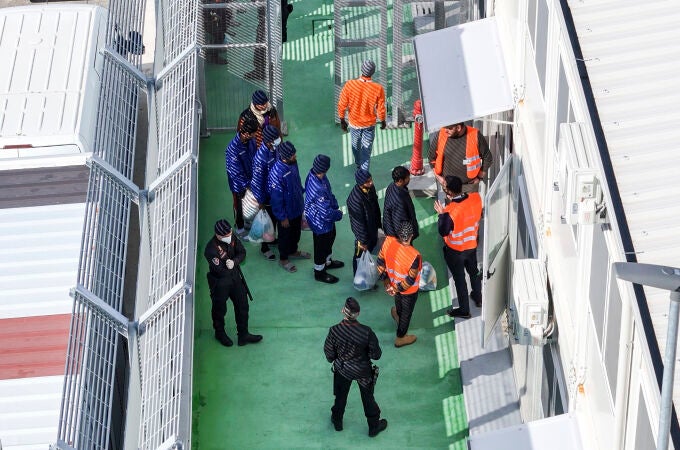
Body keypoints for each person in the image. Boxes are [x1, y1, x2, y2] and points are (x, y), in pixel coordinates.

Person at [324, 297, 388, 437]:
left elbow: (329, 353)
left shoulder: (334, 330)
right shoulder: (366, 331)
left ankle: (337, 422)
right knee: (368, 398)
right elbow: (376, 354)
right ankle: (373, 427)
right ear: (358, 313)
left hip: (342, 369)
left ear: (343, 311)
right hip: (363, 370)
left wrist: (335, 359)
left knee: (340, 397)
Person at [204, 219, 263, 347]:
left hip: (235, 278)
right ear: (218, 235)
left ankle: (243, 335)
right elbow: (219, 270)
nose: (229, 237)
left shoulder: (232, 238)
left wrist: (234, 262)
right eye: (226, 236)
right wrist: (230, 266)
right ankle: (219, 333)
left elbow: (242, 252)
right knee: (219, 309)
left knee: (242, 305)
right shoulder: (211, 250)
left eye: (230, 233)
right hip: (220, 282)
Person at [434, 176, 483, 319]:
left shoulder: (449, 211)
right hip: (472, 246)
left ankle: (464, 310)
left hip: (455, 251)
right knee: (474, 273)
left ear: (448, 192)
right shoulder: (476, 198)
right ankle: (478, 297)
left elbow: (443, 231)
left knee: (460, 279)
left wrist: (442, 215)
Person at [376, 221, 422, 348]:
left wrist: (387, 283)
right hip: (409, 291)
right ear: (411, 236)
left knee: (399, 302)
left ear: (399, 234)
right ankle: (401, 337)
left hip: (393, 284)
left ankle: (398, 315)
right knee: (407, 313)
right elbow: (410, 280)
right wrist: (395, 288)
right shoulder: (414, 256)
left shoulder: (388, 242)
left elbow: (379, 263)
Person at [337, 59, 386, 171]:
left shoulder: (350, 85)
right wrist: (383, 120)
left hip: (354, 125)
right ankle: (364, 173)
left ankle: (358, 163)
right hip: (369, 126)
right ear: (373, 72)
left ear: (361, 70)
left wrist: (342, 119)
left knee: (355, 146)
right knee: (366, 150)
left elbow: (342, 104)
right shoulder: (378, 88)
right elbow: (381, 108)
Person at [268, 141, 310, 273]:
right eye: (293, 155)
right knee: (285, 236)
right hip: (286, 213)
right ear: (285, 156)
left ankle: (293, 251)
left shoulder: (292, 164)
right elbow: (276, 198)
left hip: (297, 207)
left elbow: (296, 181)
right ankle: (284, 258)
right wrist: (282, 217)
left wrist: (301, 193)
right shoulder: (276, 173)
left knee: (296, 232)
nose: (295, 156)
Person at [304, 154, 344, 284]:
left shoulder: (317, 175)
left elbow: (329, 192)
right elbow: (325, 213)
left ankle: (328, 262)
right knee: (321, 246)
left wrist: (334, 203)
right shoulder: (318, 188)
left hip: (324, 219)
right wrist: (337, 214)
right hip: (319, 222)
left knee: (331, 237)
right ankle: (319, 272)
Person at [428, 122, 493, 193]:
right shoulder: (441, 134)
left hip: (469, 187)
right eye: (445, 127)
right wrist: (439, 178)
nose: (445, 130)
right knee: (451, 204)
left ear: (458, 128)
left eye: (449, 128)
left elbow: (487, 157)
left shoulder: (475, 135)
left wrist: (479, 177)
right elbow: (431, 158)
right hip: (448, 186)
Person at [251, 124, 281, 261]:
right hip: (266, 197)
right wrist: (261, 201)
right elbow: (257, 182)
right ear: (268, 141)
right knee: (266, 222)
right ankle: (265, 247)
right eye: (275, 139)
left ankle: (272, 238)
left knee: (274, 219)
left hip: (275, 194)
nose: (278, 140)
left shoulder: (275, 149)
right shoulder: (260, 158)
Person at [225, 116, 258, 236]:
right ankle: (240, 228)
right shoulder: (232, 149)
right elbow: (235, 172)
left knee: (250, 204)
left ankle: (247, 221)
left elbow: (254, 157)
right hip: (239, 184)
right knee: (239, 206)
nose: (255, 136)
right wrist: (247, 186)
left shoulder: (251, 141)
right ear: (246, 134)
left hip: (250, 179)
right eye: (254, 134)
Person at [347, 169, 382, 275]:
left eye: (371, 179)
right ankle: (358, 276)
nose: (371, 183)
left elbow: (375, 207)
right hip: (363, 237)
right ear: (361, 183)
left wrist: (378, 226)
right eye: (368, 181)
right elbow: (357, 223)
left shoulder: (370, 188)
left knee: (370, 251)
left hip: (372, 229)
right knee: (359, 257)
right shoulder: (354, 200)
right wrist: (363, 241)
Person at [382, 166, 419, 242]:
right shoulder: (399, 201)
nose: (409, 179)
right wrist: (406, 241)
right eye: (408, 177)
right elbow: (400, 222)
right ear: (401, 181)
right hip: (399, 237)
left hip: (390, 229)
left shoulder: (391, 186)